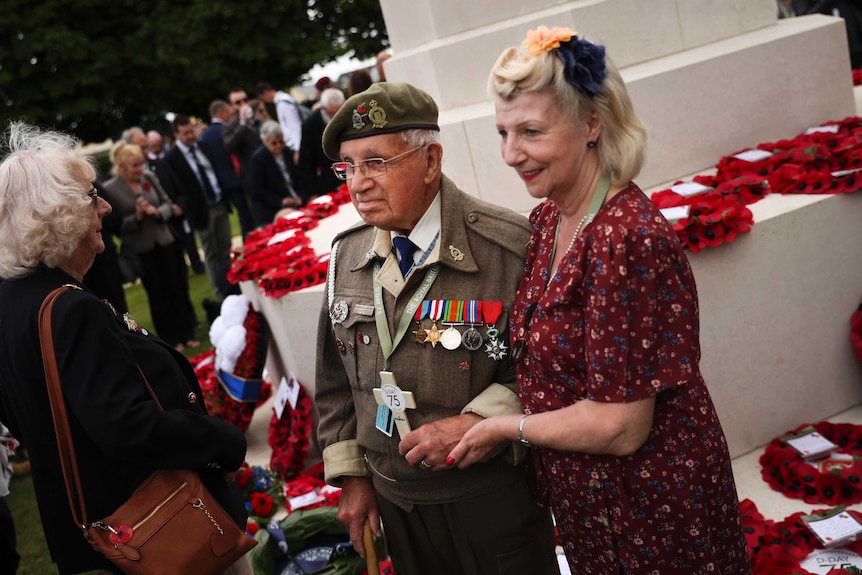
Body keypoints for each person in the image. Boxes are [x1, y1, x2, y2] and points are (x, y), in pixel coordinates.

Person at [446, 26, 751, 574]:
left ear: (592, 124)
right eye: (503, 132)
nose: (512, 154)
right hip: (593, 502)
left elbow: (620, 425)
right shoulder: (547, 219)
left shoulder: (623, 237)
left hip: (650, 510)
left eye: (531, 132)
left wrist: (500, 427)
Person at [314, 82, 559, 575]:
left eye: (376, 163)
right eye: (348, 167)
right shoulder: (347, 256)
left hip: (489, 502)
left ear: (430, 160)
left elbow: (552, 373)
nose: (358, 183)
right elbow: (335, 382)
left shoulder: (509, 250)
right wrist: (353, 478)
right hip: (395, 506)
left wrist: (478, 423)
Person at [0, 122, 251, 575]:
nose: (105, 207)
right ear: (58, 214)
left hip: (92, 532)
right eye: (91, 197)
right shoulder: (70, 309)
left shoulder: (11, 299)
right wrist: (223, 440)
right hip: (153, 527)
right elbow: (129, 428)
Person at [104, 141, 199, 351]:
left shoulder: (149, 178)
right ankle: (171, 339)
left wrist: (158, 212)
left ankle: (187, 333)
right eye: (134, 166)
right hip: (142, 249)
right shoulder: (112, 188)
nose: (140, 169)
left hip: (165, 241)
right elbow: (118, 224)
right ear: (121, 167)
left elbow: (168, 203)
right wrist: (136, 216)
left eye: (141, 164)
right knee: (157, 294)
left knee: (176, 287)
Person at [165, 114, 235, 301]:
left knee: (225, 247)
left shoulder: (203, 147)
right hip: (201, 211)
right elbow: (177, 188)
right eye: (185, 133)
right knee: (211, 253)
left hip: (219, 202)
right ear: (176, 134)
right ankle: (221, 293)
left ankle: (233, 286)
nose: (190, 136)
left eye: (191, 131)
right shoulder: (173, 158)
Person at [202, 99, 255, 238]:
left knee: (243, 215)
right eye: (230, 112)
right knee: (248, 215)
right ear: (222, 112)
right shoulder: (227, 129)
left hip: (224, 181)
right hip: (238, 177)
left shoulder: (205, 135)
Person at [247, 120, 306, 227]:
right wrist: (280, 201)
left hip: (295, 201)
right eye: (274, 143)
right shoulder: (258, 159)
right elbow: (256, 190)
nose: (278, 146)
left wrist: (300, 195)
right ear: (265, 142)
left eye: (281, 142)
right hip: (272, 210)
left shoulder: (287, 152)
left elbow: (298, 177)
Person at [298, 87, 346, 199]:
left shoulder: (347, 115)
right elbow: (306, 162)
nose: (337, 117)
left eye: (340, 111)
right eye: (333, 113)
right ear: (324, 109)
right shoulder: (310, 125)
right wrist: (312, 193)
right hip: (328, 179)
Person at [256, 81, 303, 166]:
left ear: (265, 92)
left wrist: (297, 150)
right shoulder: (283, 101)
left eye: (263, 98)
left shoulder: (283, 103)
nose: (265, 101)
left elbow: (294, 125)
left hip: (295, 146)